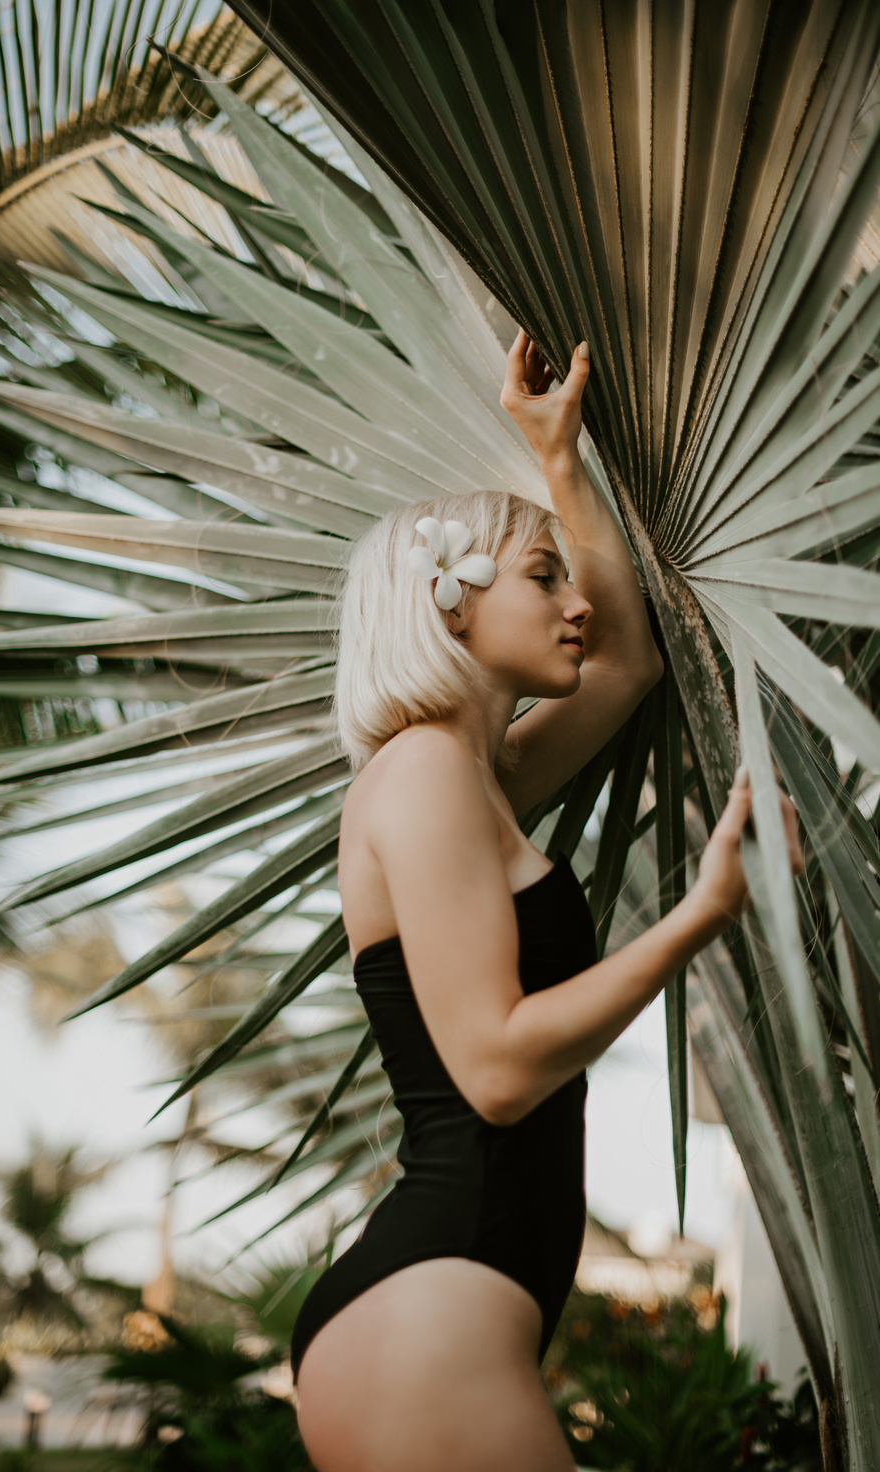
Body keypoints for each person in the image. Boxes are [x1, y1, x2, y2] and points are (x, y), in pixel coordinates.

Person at [291, 331, 803, 1472]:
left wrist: (559, 459)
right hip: (429, 1308)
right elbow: (497, 1068)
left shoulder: (471, 777)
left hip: (446, 1306)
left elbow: (626, 663)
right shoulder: (422, 773)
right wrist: (699, 912)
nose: (572, 602)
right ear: (449, 605)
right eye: (541, 578)